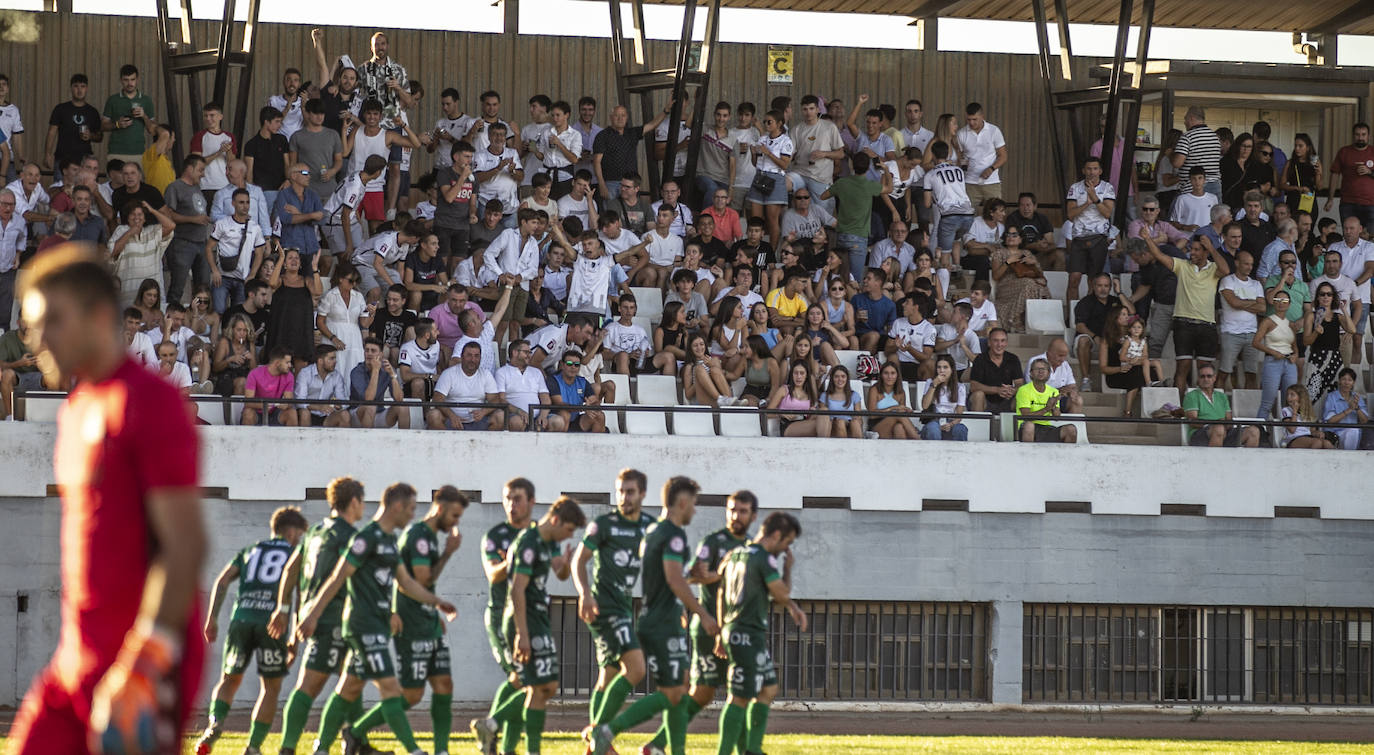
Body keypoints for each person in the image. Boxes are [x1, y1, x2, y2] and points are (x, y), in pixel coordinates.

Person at [10, 247, 207, 755]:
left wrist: (142, 666)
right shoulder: (78, 406)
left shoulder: (151, 403)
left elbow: (184, 548)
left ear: (100, 316)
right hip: (79, 658)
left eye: (53, 320)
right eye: (33, 324)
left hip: (141, 663)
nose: (39, 338)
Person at [295, 483, 456, 755]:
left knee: (348, 689)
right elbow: (338, 577)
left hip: (378, 626)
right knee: (391, 688)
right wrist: (312, 614)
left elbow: (405, 582)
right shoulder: (365, 538)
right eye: (411, 509)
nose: (413, 515)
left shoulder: (390, 540)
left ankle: (322, 748)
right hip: (362, 626)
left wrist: (436, 601)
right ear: (396, 506)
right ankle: (414, 750)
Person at [588, 477, 715, 755]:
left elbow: (666, 576)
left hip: (657, 615)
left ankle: (658, 747)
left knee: (679, 686)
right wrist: (702, 613)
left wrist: (690, 577)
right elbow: (672, 579)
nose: (694, 511)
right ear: (682, 502)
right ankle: (606, 731)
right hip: (662, 622)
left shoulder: (654, 530)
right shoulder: (673, 534)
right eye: (693, 504)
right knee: (673, 692)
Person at [345, 488, 468, 755]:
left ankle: (441, 750)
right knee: (411, 695)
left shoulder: (430, 537)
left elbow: (425, 585)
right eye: (454, 515)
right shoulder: (419, 537)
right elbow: (420, 580)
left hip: (429, 622)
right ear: (440, 507)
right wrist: (448, 553)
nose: (456, 522)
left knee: (444, 683)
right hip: (412, 625)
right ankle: (355, 732)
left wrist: (434, 610)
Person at [193, 506, 308, 755]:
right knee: (270, 687)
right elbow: (297, 595)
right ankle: (253, 747)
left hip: (241, 619)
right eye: (300, 534)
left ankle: (214, 726)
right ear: (291, 531)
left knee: (229, 679)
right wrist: (293, 637)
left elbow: (222, 581)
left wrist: (211, 618)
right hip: (272, 624)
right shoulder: (296, 553)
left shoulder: (251, 551)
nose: (300, 539)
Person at [267, 477, 367, 754]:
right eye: (363, 501)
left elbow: (290, 570)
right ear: (355, 501)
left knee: (352, 680)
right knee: (310, 685)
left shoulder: (315, 532)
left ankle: (356, 742)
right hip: (332, 617)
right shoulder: (348, 535)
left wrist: (284, 609)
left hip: (320, 615)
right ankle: (289, 747)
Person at [490, 495, 584, 755]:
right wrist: (522, 633)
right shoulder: (529, 543)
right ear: (555, 519)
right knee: (539, 686)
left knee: (542, 686)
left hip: (537, 618)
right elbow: (517, 590)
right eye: (567, 530)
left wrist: (564, 566)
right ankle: (498, 727)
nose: (567, 536)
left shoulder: (547, 542)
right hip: (526, 619)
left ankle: (506, 741)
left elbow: (560, 573)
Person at [710, 511, 806, 755]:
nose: (786, 548)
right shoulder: (764, 559)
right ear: (775, 535)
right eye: (787, 542)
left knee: (768, 688)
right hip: (746, 634)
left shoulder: (734, 554)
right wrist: (788, 569)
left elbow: (720, 592)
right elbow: (781, 593)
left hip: (737, 631)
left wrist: (721, 631)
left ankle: (752, 749)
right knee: (739, 697)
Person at [572, 469, 655, 734]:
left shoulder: (648, 527)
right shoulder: (604, 524)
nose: (624, 497)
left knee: (607, 675)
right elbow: (579, 560)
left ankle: (595, 742)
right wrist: (584, 593)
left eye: (630, 492)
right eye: (620, 491)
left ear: (642, 493)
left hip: (623, 605)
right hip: (604, 607)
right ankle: (599, 732)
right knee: (636, 667)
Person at [468, 479, 535, 755]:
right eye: (508, 499)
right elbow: (493, 573)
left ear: (531, 502)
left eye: (517, 499)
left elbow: (557, 569)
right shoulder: (495, 536)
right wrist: (514, 558)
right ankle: (497, 735)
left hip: (530, 618)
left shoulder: (536, 534)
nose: (511, 505)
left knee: (521, 683)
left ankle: (493, 737)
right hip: (501, 618)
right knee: (528, 683)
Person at [1141, 230, 1230, 390]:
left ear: (1205, 252)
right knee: (1182, 368)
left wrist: (1211, 248)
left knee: (1206, 371)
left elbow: (1226, 270)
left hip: (1207, 325)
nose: (1192, 252)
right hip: (1183, 324)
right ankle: (1180, 410)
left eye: (1197, 250)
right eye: (1191, 249)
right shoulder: (1182, 266)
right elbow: (1160, 256)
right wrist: (1147, 239)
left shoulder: (1213, 269)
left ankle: (1203, 408)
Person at [822, 152, 888, 276]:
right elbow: (889, 188)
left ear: (852, 166)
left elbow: (823, 196)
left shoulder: (842, 183)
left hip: (841, 235)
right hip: (859, 237)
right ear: (868, 168)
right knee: (855, 280)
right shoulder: (870, 185)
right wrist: (886, 170)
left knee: (840, 276)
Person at [206, 189, 268, 313]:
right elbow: (208, 247)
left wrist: (252, 275)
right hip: (222, 277)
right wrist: (214, 270)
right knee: (219, 311)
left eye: (247, 202)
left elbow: (259, 253)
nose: (245, 206)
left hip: (243, 279)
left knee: (238, 314)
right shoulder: (222, 224)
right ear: (233, 203)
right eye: (241, 202)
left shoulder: (255, 227)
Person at [108, 199, 174, 309]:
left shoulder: (152, 230)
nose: (136, 217)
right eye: (132, 214)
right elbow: (113, 251)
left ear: (144, 217)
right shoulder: (121, 230)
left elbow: (171, 225)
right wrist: (130, 233)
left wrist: (152, 210)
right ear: (127, 217)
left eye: (140, 214)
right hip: (128, 294)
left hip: (150, 296)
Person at [1217, 249, 1266, 390]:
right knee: (1224, 372)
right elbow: (1234, 303)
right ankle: (1217, 404)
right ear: (1237, 263)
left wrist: (1242, 302)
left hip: (1252, 333)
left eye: (1251, 264)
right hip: (1230, 333)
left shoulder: (1256, 284)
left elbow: (1262, 308)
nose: (1250, 267)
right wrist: (1253, 302)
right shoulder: (1227, 280)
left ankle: (1248, 406)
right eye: (1246, 264)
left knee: (1251, 374)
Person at [1252, 289, 1303, 420]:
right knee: (1267, 402)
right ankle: (1259, 432)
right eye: (1278, 300)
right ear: (1273, 303)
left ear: (1289, 304)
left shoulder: (1291, 324)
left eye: (1284, 301)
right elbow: (1256, 342)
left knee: (1290, 402)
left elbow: (1294, 346)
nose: (1281, 303)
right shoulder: (1268, 321)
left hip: (1289, 362)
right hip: (1273, 361)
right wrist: (1273, 352)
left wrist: (1295, 355)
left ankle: (1288, 433)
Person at [1183, 363, 1259, 447]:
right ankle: (1215, 460)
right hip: (1200, 433)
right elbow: (1192, 421)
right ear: (1198, 379)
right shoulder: (1191, 395)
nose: (1206, 379)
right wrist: (1215, 424)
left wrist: (1224, 425)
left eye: (1209, 376)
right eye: (1202, 376)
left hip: (1224, 431)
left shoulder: (1222, 396)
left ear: (1214, 378)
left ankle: (1247, 460)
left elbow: (1229, 419)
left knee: (1254, 431)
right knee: (1219, 429)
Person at [1303, 281, 1354, 404]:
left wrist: (1344, 310)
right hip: (1317, 358)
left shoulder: (1338, 316)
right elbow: (1306, 341)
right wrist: (1316, 332)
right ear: (1318, 297)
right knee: (1312, 395)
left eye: (1329, 294)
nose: (1326, 297)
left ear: (1333, 297)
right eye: (1322, 294)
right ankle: (1311, 422)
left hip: (1335, 360)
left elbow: (1352, 329)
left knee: (1334, 397)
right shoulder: (1311, 316)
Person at [350, 337, 408, 428]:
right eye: (367, 350)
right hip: (357, 415)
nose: (369, 353)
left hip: (379, 413)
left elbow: (399, 399)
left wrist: (393, 375)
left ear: (381, 354)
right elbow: (368, 399)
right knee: (370, 407)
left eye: (373, 351)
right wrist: (375, 371)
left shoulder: (386, 370)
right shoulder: (356, 371)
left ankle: (406, 441)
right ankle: (367, 442)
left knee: (403, 407)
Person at [956, 102, 1008, 206]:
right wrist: (963, 166)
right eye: (969, 119)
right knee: (968, 215)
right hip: (969, 182)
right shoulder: (961, 133)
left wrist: (991, 169)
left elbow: (1003, 156)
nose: (971, 123)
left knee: (996, 213)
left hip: (991, 182)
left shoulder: (994, 131)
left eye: (975, 119)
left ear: (982, 116)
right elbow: (959, 156)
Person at [1016, 358, 1077, 443]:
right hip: (1027, 428)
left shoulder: (1054, 391)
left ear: (1049, 373)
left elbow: (1056, 417)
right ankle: (1027, 455)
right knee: (1029, 426)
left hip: (1046, 428)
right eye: (1037, 369)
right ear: (1031, 373)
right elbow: (1026, 416)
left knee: (1071, 429)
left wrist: (1054, 407)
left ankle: (1066, 456)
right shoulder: (1023, 390)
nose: (1041, 371)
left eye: (1044, 369)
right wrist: (1046, 408)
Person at [1325, 122, 1374, 229]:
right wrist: (1330, 199)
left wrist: (1369, 172)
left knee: (1370, 239)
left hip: (1371, 203)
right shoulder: (1344, 152)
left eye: (1363, 134)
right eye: (1357, 134)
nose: (1360, 138)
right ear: (1353, 136)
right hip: (1348, 203)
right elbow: (1334, 175)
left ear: (1368, 136)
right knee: (1349, 236)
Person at [1099, 308, 1146, 416]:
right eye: (1123, 314)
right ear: (1115, 318)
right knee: (1137, 373)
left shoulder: (1132, 336)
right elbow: (1103, 367)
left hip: (1134, 368)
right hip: (1116, 374)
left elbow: (1143, 355)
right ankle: (1127, 412)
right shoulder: (1106, 340)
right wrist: (1120, 369)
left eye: (1128, 314)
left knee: (1146, 370)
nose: (1127, 317)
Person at [969, 327, 1023, 413]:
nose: (999, 344)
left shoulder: (1013, 359)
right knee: (978, 395)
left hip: (1007, 400)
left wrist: (1013, 390)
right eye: (995, 341)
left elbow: (1019, 383)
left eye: (1003, 341)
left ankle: (1022, 426)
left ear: (1006, 343)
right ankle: (978, 425)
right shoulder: (980, 359)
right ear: (989, 343)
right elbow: (974, 386)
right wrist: (997, 390)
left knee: (1022, 394)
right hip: (985, 401)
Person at [887, 293, 936, 381]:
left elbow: (926, 357)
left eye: (907, 302)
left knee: (930, 363)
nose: (903, 304)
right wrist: (896, 346)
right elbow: (887, 350)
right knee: (892, 357)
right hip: (899, 364)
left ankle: (924, 393)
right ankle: (898, 390)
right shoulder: (898, 323)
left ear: (916, 307)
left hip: (918, 366)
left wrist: (909, 349)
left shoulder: (929, 328)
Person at [920, 354, 968, 440]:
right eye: (939, 367)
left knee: (961, 429)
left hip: (950, 422)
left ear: (952, 369)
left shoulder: (960, 387)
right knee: (933, 428)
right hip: (933, 420)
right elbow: (924, 406)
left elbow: (959, 415)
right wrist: (934, 385)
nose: (942, 370)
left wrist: (950, 424)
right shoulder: (930, 382)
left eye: (945, 367)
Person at [867, 360, 918, 439]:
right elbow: (871, 415)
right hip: (876, 426)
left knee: (899, 427)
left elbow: (901, 412)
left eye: (893, 373)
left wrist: (905, 410)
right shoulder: (874, 389)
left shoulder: (901, 392)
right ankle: (919, 441)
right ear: (881, 375)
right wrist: (893, 408)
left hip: (895, 425)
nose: (889, 377)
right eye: (886, 373)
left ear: (897, 375)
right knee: (897, 415)